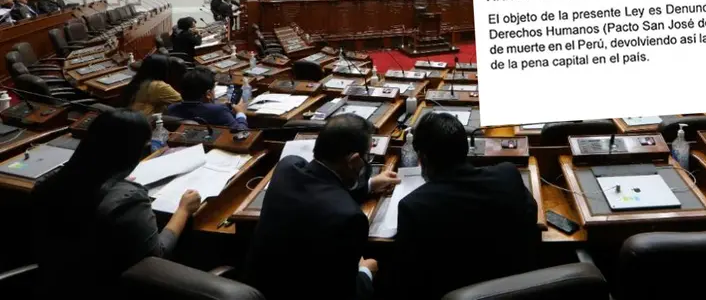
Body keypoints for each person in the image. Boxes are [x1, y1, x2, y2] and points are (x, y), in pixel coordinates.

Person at [31, 109, 201, 297]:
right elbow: (157, 256)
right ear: (133, 152)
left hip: (56, 285)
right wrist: (183, 210)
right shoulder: (128, 200)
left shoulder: (46, 183)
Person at [247, 114, 400, 299]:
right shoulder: (350, 218)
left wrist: (369, 185)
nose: (368, 161)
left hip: (259, 288)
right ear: (353, 160)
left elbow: (320, 190)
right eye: (367, 156)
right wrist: (366, 272)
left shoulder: (287, 167)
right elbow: (345, 293)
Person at [393, 112, 540, 298]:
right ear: (466, 148)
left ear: (423, 158)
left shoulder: (412, 207)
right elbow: (531, 216)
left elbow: (407, 277)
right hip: (514, 290)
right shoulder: (508, 175)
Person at [165, 67, 248, 129]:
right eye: (213, 89)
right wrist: (240, 113)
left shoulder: (172, 108)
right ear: (208, 94)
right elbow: (241, 132)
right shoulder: (219, 111)